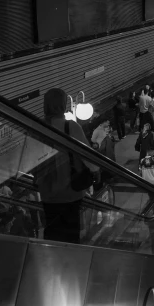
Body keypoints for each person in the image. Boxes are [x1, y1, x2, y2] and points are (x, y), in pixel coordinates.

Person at [36, 88, 99, 245]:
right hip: (70, 191)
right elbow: (89, 158)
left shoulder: (36, 128)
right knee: (70, 236)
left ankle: (52, 262)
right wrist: (97, 171)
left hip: (47, 193)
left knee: (52, 233)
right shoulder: (71, 127)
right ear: (64, 105)